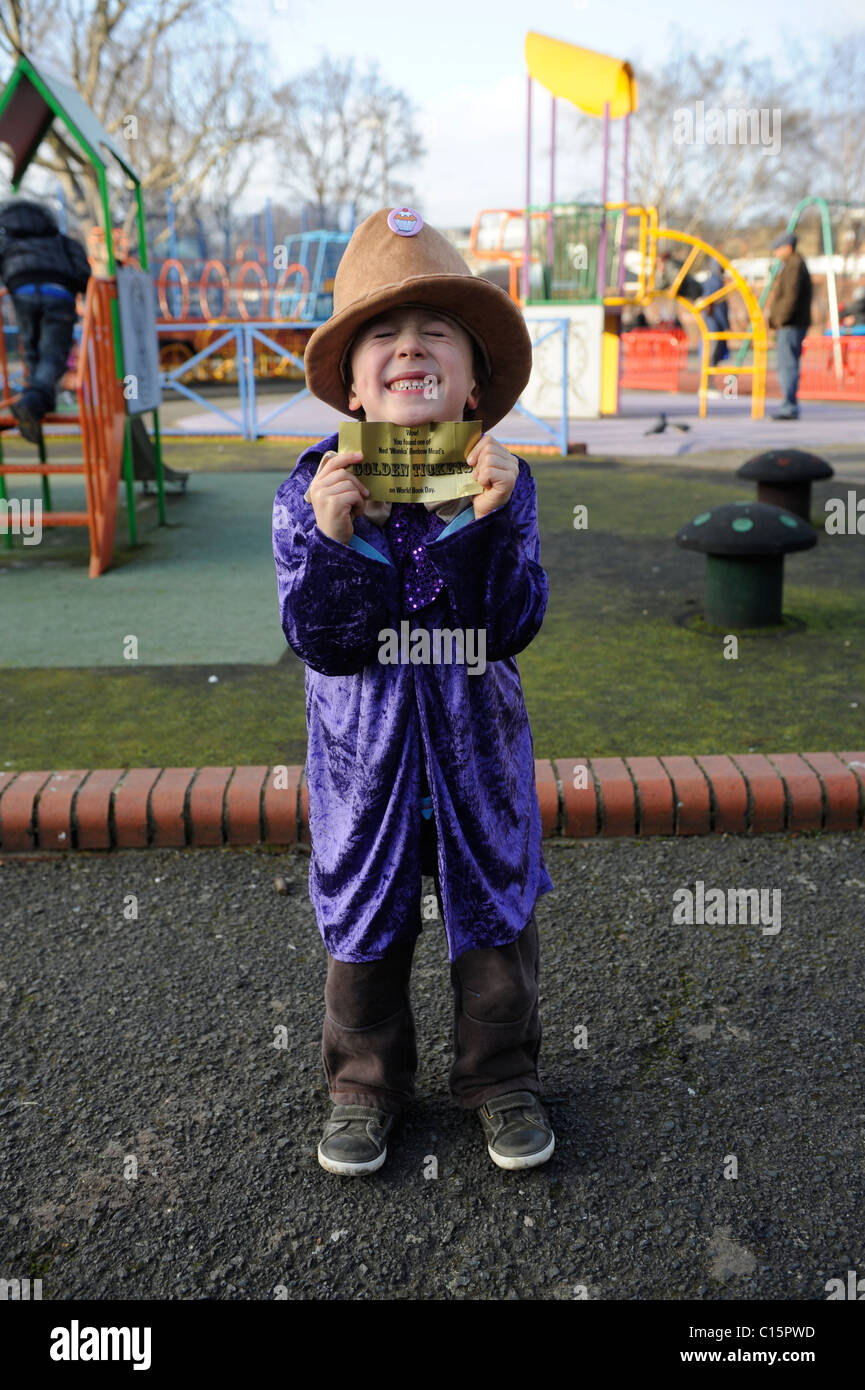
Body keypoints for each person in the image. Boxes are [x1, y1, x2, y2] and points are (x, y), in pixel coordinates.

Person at [272, 206, 556, 1176]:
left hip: (477, 755)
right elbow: (320, 641)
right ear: (349, 383)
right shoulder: (309, 491)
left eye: (436, 330)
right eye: (381, 336)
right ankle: (362, 1083)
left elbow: (513, 624)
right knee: (366, 927)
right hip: (366, 761)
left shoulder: (501, 482)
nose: (409, 348)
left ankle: (502, 1074)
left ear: (473, 379)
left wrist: (483, 523)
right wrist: (333, 542)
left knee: (495, 925)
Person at [0, 197, 91, 444]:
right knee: (54, 355)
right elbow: (84, 274)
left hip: (22, 291)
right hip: (58, 293)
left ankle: (39, 403)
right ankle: (33, 402)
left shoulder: (8, 240)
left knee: (32, 351)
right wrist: (75, 285)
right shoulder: (60, 241)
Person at [766, 230, 811, 420]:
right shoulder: (792, 264)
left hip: (791, 324)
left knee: (787, 365)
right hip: (791, 323)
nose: (776, 254)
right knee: (787, 364)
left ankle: (789, 407)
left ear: (787, 248)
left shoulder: (794, 265)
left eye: (777, 249)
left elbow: (790, 296)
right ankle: (789, 404)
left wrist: (780, 319)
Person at [702, 261, 731, 369]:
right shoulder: (715, 282)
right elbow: (718, 308)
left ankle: (708, 377)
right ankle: (707, 378)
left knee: (713, 350)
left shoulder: (715, 281)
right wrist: (725, 324)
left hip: (713, 321)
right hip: (714, 322)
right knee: (712, 350)